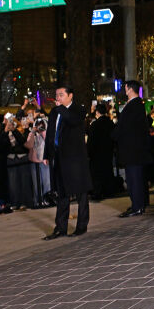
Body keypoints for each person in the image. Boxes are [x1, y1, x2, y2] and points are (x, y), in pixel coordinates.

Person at [42, 86, 93, 240]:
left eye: (61, 95)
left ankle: (81, 226)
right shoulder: (54, 112)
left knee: (81, 193)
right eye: (56, 95)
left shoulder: (78, 110)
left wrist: (61, 108)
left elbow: (72, 121)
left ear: (70, 96)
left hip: (75, 158)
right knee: (62, 193)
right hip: (59, 157)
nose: (58, 98)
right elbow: (51, 134)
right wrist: (47, 154)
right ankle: (60, 227)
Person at [112, 81, 152, 217]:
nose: (124, 90)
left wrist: (114, 135)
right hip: (134, 150)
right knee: (134, 178)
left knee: (134, 179)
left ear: (129, 89)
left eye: (125, 88)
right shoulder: (136, 104)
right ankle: (137, 204)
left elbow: (124, 126)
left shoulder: (134, 105)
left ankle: (137, 206)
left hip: (133, 150)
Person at [1, 116, 33, 210]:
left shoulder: (23, 130)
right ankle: (15, 203)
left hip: (22, 158)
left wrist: (14, 130)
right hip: (11, 158)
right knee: (13, 183)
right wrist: (5, 131)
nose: (9, 123)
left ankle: (25, 202)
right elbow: (2, 144)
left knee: (24, 181)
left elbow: (23, 142)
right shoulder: (5, 132)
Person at [88, 104, 115, 200]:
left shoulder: (95, 125)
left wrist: (89, 152)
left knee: (97, 174)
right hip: (108, 151)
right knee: (108, 170)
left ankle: (98, 192)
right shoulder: (110, 123)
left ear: (97, 112)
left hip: (97, 153)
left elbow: (91, 141)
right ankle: (109, 191)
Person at [25, 117, 51, 207]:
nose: (40, 127)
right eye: (38, 125)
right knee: (36, 183)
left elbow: (49, 142)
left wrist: (43, 132)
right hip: (34, 162)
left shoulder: (47, 133)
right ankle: (37, 201)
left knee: (47, 182)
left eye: (42, 125)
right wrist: (32, 132)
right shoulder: (32, 133)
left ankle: (47, 200)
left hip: (45, 161)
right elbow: (28, 145)